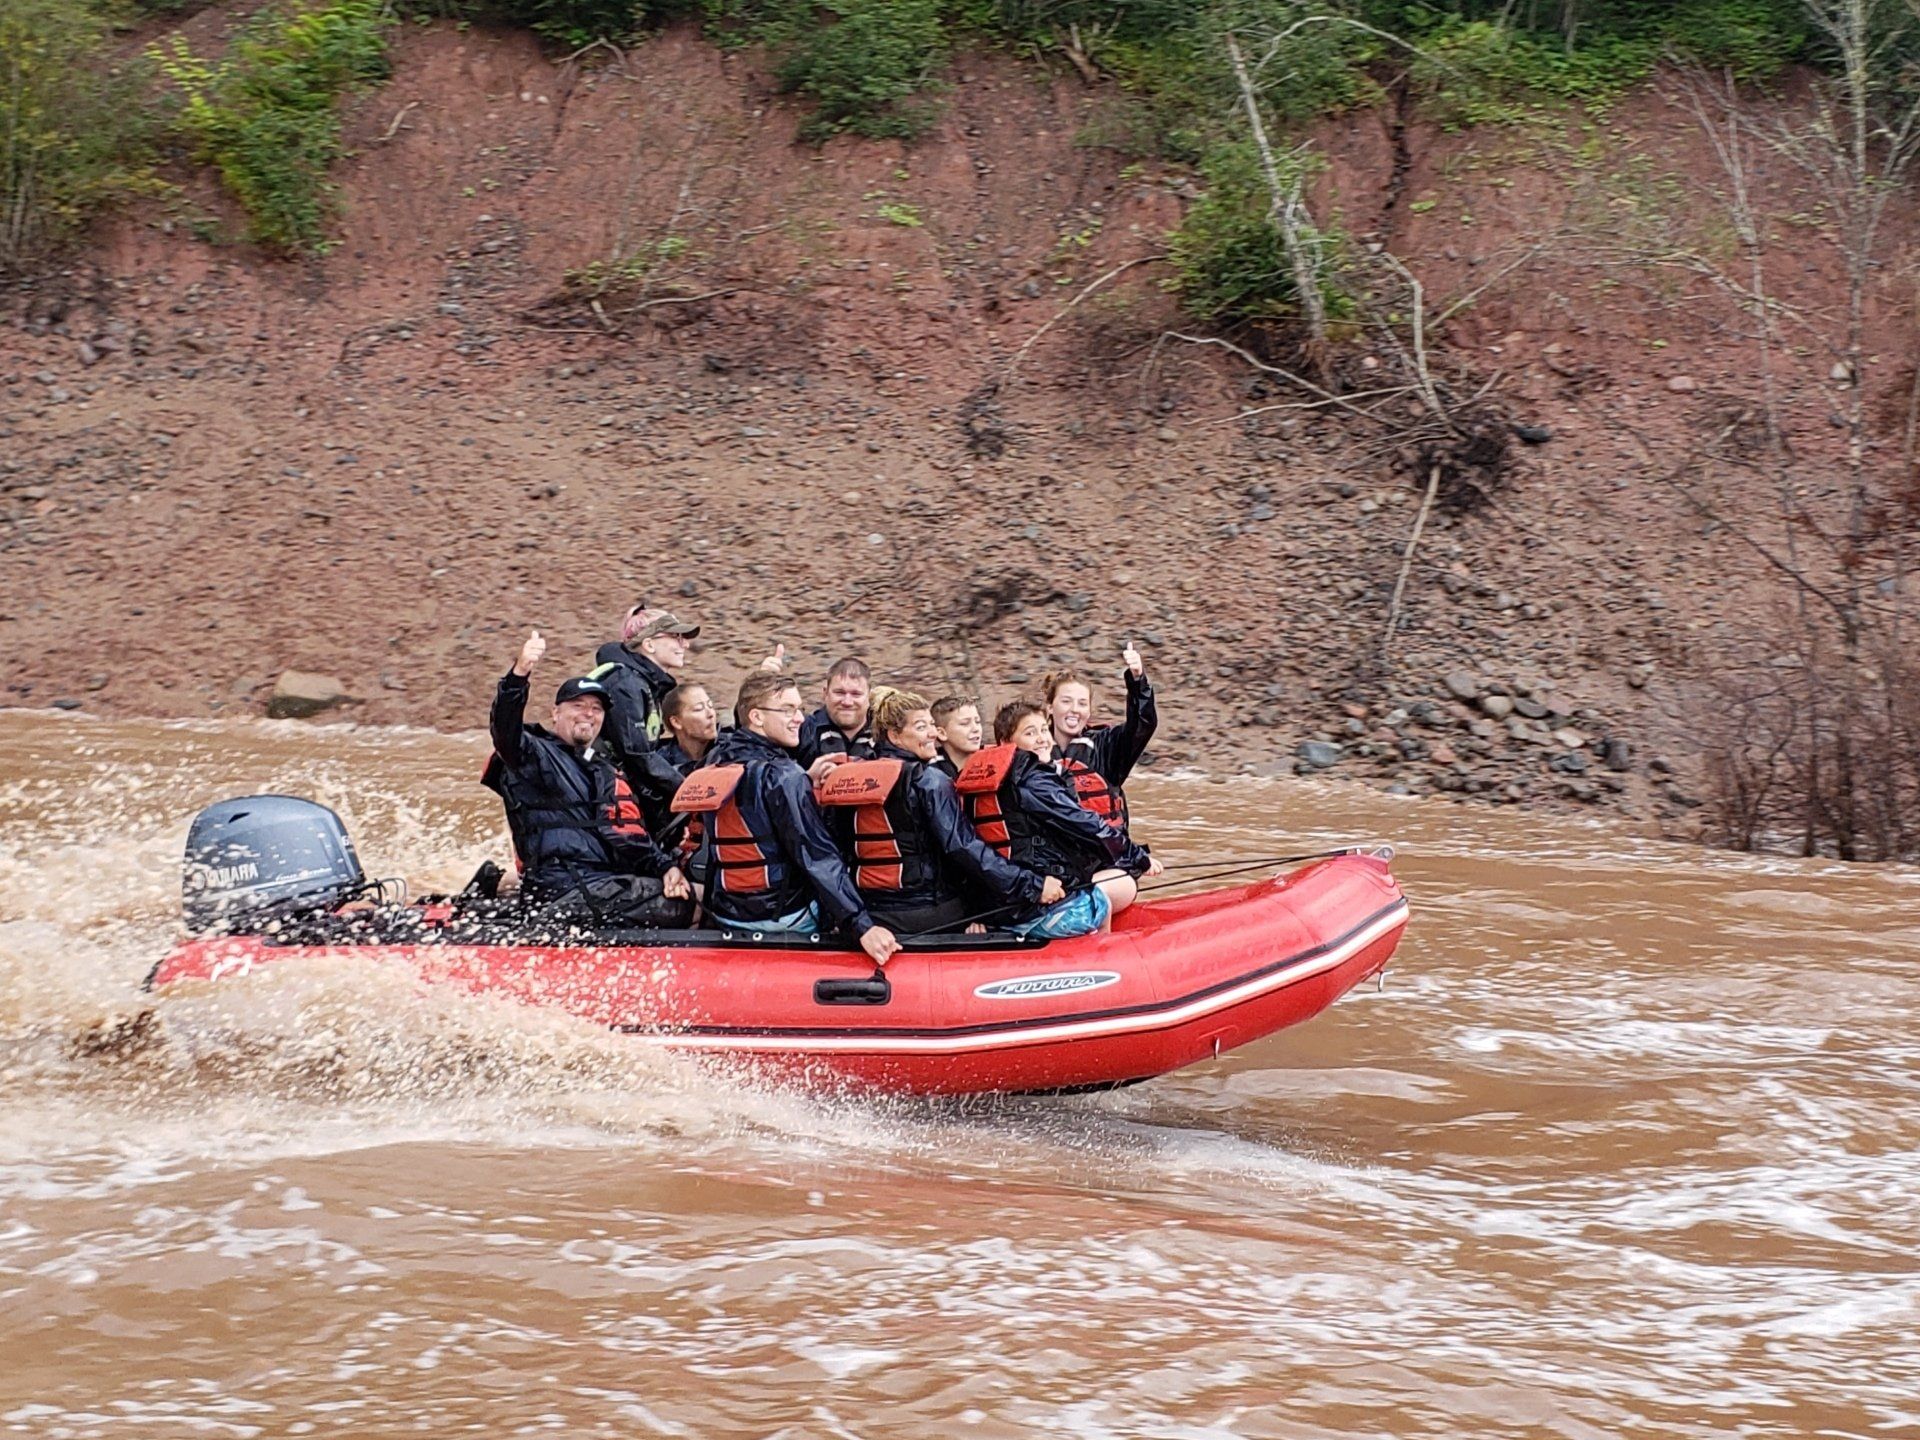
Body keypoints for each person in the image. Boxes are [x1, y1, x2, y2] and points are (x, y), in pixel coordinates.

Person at [677, 671, 899, 964]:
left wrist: (805, 781)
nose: (800, 719)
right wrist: (862, 925)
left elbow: (753, 811)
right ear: (756, 717)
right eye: (788, 710)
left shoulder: (715, 760)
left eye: (800, 709)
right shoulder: (784, 776)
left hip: (728, 912)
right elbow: (817, 857)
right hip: (783, 918)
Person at [484, 630, 692, 927]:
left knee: (678, 884)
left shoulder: (600, 767)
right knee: (691, 902)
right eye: (578, 706)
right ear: (555, 713)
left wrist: (665, 867)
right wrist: (519, 675)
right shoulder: (534, 755)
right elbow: (505, 729)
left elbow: (624, 836)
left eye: (596, 709)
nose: (588, 714)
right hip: (565, 889)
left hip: (597, 885)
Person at [815, 687, 1062, 935]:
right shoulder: (930, 781)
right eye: (922, 727)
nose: (933, 733)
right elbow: (963, 847)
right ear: (895, 736)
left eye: (932, 725)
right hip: (930, 913)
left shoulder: (847, 780)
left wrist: (847, 919)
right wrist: (1031, 885)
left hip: (872, 912)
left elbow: (832, 855)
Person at [952, 699, 1151, 938]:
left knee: (1095, 881)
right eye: (1030, 733)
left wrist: (978, 913)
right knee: (1105, 896)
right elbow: (1086, 824)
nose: (1042, 738)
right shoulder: (1032, 780)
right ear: (1006, 742)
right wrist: (1137, 857)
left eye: (1044, 730)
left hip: (997, 908)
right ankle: (1104, 959)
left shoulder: (978, 778)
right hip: (1033, 909)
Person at [590, 605, 701, 833]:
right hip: (607, 802)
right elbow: (637, 754)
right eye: (676, 637)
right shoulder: (626, 684)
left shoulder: (641, 683)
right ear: (649, 644)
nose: (685, 645)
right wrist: (688, 791)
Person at [1045, 641, 1158, 841]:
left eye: (1082, 703)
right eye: (1066, 701)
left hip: (1101, 859)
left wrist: (1137, 680)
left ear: (1089, 711)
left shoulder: (1107, 747)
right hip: (1054, 861)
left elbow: (1143, 725)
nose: (1074, 709)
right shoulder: (1032, 749)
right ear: (1050, 707)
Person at [796, 657, 876, 774]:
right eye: (839, 693)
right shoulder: (801, 730)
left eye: (856, 694)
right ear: (825, 693)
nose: (847, 702)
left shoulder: (887, 735)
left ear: (869, 696)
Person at [930, 694, 984, 780]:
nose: (976, 729)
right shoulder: (928, 772)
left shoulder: (995, 762)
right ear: (941, 733)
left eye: (977, 722)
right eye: (965, 723)